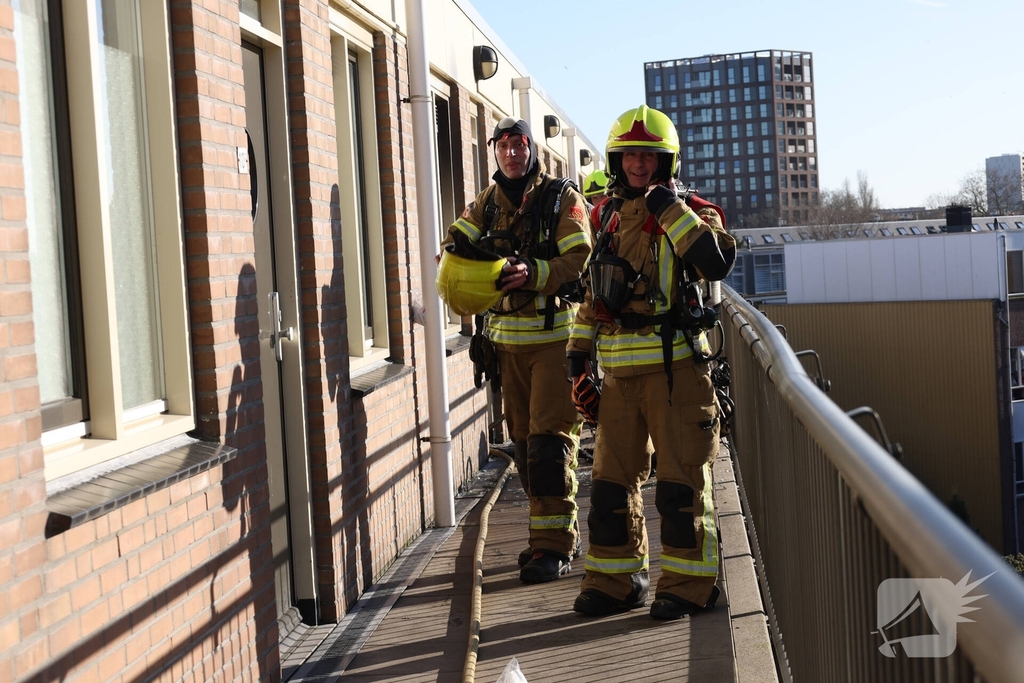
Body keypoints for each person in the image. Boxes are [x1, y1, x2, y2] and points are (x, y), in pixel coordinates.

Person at [566, 105, 736, 619]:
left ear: (667, 161)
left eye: (650, 156)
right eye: (630, 156)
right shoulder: (603, 216)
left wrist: (667, 206)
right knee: (611, 489)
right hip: (618, 379)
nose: (639, 165)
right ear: (618, 160)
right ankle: (615, 583)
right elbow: (589, 298)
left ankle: (689, 587)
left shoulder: (693, 209)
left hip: (678, 373)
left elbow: (715, 260)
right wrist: (577, 363)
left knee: (681, 486)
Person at [441, 117, 592, 583]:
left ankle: (554, 547)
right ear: (495, 151)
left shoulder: (561, 199)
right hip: (507, 348)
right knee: (526, 449)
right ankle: (546, 534)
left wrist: (534, 272)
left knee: (548, 448)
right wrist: (450, 256)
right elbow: (456, 238)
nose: (511, 153)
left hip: (552, 344)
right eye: (503, 145)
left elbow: (578, 257)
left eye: (519, 144)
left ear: (532, 149)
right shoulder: (486, 204)